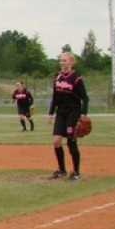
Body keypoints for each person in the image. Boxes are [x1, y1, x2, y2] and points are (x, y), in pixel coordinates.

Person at [48, 51, 89, 181]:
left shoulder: (76, 78)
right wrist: (50, 113)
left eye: (65, 60)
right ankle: (61, 170)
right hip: (61, 112)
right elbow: (54, 97)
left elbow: (85, 98)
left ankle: (76, 172)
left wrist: (83, 114)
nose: (62, 62)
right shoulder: (58, 77)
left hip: (73, 112)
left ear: (71, 62)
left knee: (71, 142)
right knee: (56, 141)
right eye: (61, 60)